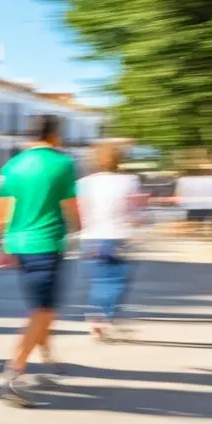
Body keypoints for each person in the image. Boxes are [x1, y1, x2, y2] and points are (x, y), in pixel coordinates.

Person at [0, 115, 81, 406]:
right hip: (47, 243)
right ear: (54, 135)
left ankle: (48, 357)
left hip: (19, 244)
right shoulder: (63, 163)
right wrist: (79, 229)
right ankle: (13, 373)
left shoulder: (12, 166)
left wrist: (1, 247)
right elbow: (71, 206)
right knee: (42, 310)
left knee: (43, 307)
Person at [76, 143, 143, 341]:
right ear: (120, 160)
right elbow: (134, 211)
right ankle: (107, 317)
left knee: (99, 281)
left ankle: (99, 318)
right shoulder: (130, 181)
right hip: (118, 236)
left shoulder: (83, 183)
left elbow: (80, 211)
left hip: (91, 237)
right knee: (118, 281)